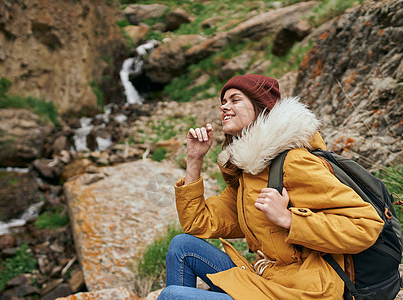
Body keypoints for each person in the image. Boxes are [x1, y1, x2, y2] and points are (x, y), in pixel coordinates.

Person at [157, 74, 384, 299]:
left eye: (235, 100)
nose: (224, 107)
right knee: (182, 246)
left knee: (172, 296)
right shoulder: (250, 173)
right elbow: (198, 223)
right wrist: (194, 159)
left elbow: (366, 225)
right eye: (223, 102)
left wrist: (289, 219)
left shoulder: (294, 162)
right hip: (266, 281)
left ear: (261, 107)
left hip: (305, 291)